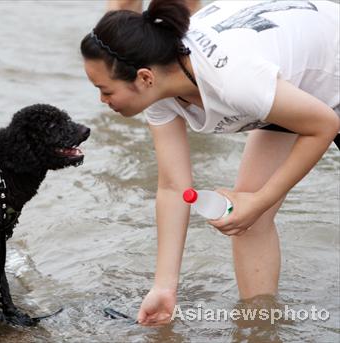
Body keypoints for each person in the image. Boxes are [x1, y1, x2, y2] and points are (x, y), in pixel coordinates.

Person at [81, 0, 340, 326]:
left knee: (253, 204)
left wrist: (259, 201)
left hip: (330, 64)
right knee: (246, 220)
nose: (102, 102)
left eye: (105, 90)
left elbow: (324, 125)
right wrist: (164, 286)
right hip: (291, 80)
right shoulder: (160, 88)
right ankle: (259, 327)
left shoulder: (232, 80)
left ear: (144, 77)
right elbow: (173, 186)